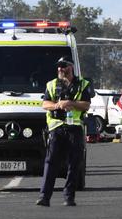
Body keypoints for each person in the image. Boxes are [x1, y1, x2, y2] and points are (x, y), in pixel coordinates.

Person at [38, 57, 94, 207]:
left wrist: (71, 103)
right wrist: (57, 105)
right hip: (56, 128)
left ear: (71, 67)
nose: (60, 69)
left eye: (63, 66)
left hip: (75, 128)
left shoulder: (83, 84)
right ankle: (44, 197)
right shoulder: (52, 84)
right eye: (58, 67)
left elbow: (86, 105)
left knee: (74, 163)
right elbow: (45, 104)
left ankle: (69, 196)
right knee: (51, 162)